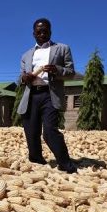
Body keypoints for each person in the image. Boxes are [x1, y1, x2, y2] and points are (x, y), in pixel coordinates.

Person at [17, 17, 77, 173]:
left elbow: (70, 72)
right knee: (30, 130)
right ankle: (36, 160)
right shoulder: (26, 55)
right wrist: (24, 78)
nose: (42, 34)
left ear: (50, 31)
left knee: (50, 131)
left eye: (45, 31)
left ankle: (66, 164)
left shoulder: (62, 48)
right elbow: (21, 78)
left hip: (50, 94)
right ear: (33, 34)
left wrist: (57, 70)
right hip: (31, 94)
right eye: (39, 31)